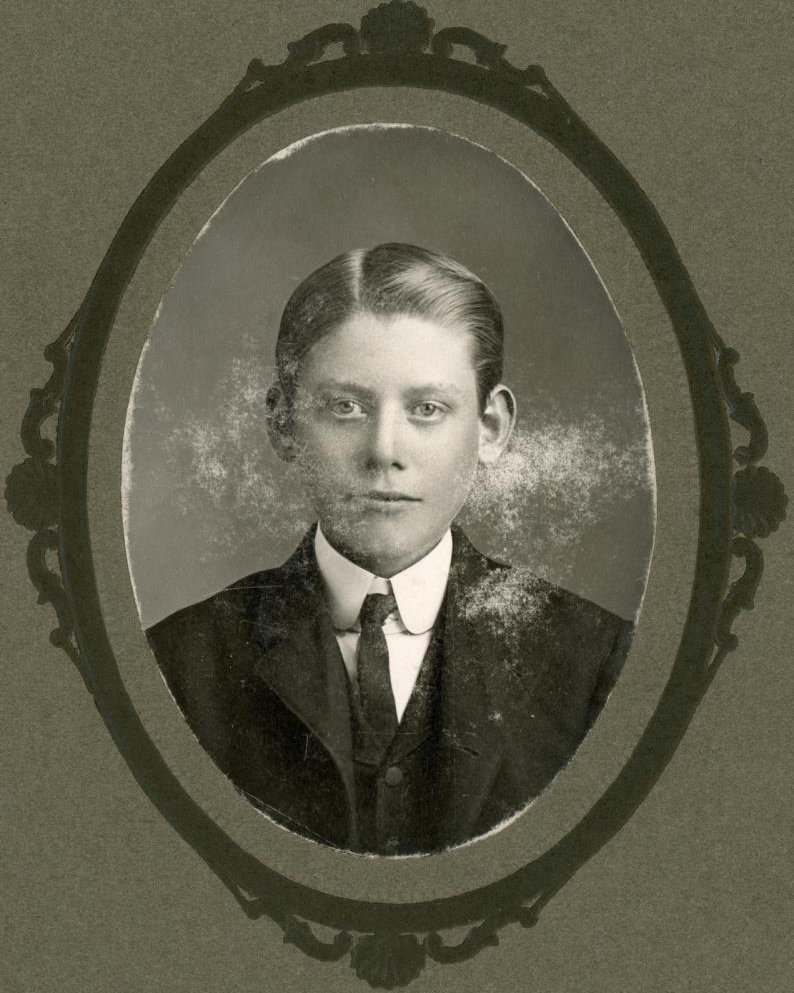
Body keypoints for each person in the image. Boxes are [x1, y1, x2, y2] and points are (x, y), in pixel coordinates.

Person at [146, 242, 633, 856]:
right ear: (284, 423)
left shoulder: (597, 664)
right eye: (345, 407)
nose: (384, 451)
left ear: (490, 429)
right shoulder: (174, 666)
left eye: (427, 409)